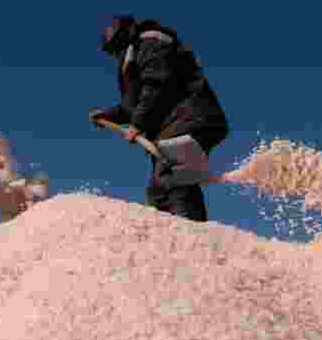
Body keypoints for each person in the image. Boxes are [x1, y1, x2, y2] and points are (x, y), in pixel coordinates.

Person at [90, 15, 229, 222]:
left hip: (188, 116)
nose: (115, 55)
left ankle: (193, 237)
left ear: (125, 37)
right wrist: (108, 116)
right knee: (160, 191)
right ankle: (173, 241)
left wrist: (137, 124)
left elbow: (157, 84)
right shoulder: (135, 57)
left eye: (115, 47)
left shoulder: (150, 42)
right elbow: (134, 105)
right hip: (174, 123)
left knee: (173, 177)